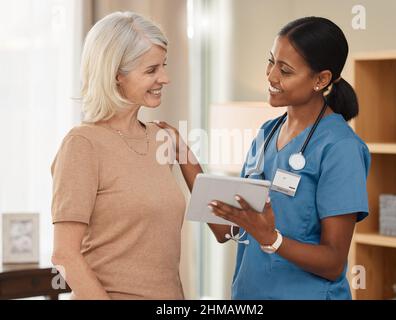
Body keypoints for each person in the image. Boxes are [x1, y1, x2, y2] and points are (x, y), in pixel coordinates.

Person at [159, 16, 370, 300]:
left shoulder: (340, 148)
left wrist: (271, 239)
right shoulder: (267, 134)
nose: (271, 76)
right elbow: (227, 230)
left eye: (285, 70)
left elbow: (333, 263)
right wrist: (182, 152)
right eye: (271, 62)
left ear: (321, 79)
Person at [50, 12, 186, 299]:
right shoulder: (82, 144)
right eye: (151, 70)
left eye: (163, 66)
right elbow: (65, 254)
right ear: (115, 75)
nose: (165, 78)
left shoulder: (161, 139)